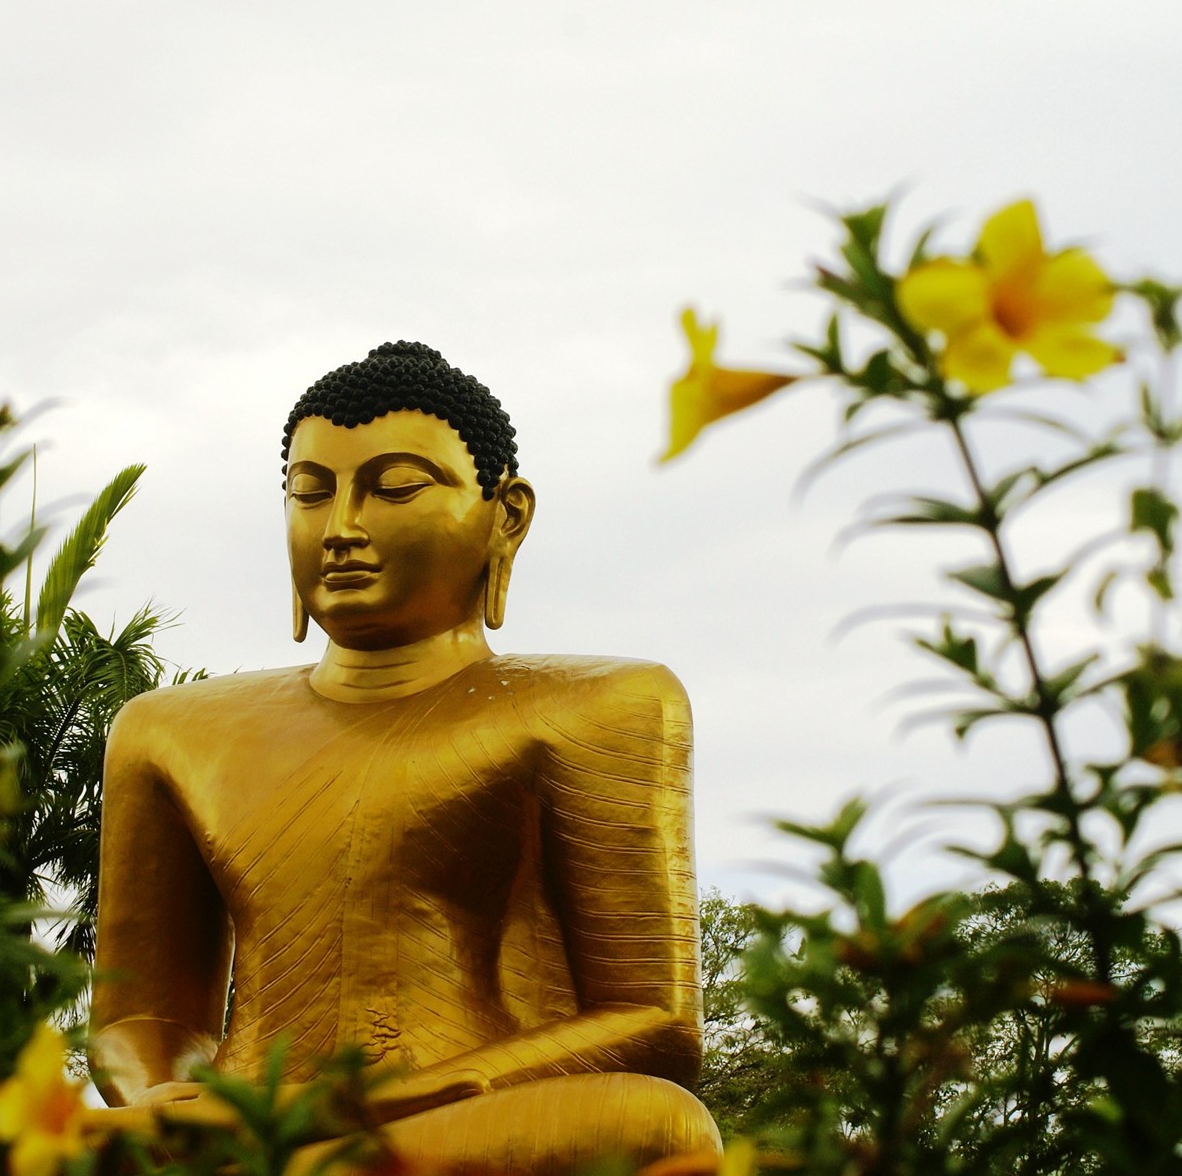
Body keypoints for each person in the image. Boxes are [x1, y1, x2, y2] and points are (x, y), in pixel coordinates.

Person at [90, 342, 721, 1173]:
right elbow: (139, 1017)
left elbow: (655, 1020)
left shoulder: (601, 705)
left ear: (507, 516)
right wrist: (161, 1098)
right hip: (243, 1124)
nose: (342, 529)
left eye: (394, 488)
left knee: (660, 1123)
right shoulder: (168, 729)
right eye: (311, 492)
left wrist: (419, 1092)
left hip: (451, 1118)